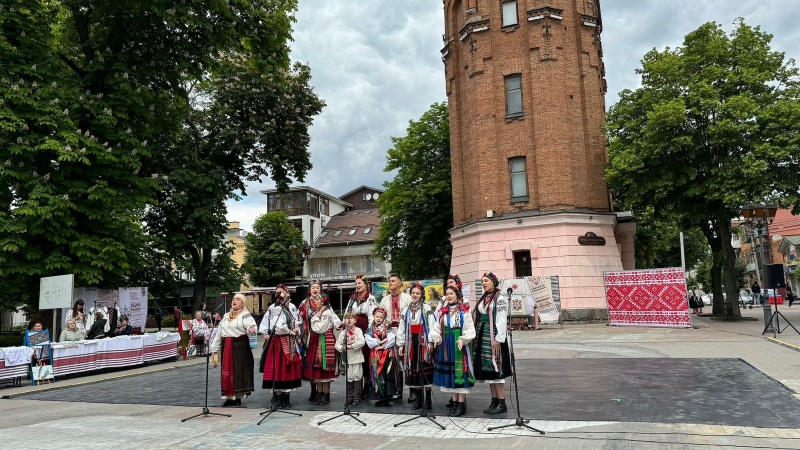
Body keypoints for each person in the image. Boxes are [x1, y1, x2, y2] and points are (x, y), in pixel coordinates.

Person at [429, 286, 476, 417]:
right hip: (446, 345)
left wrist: (463, 339)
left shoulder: (464, 311)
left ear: (457, 295)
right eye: (447, 294)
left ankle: (461, 404)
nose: (448, 296)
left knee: (459, 373)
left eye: (451, 294)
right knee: (450, 374)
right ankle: (455, 402)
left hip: (458, 343)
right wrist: (437, 338)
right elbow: (436, 327)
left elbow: (470, 329)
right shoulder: (443, 312)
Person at [473, 272, 512, 415]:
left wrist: (498, 340)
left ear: (493, 282)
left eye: (486, 281)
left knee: (497, 368)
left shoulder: (499, 299)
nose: (483, 283)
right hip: (483, 335)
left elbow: (501, 320)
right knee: (489, 369)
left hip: (494, 336)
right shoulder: (484, 298)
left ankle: (502, 403)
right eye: (482, 281)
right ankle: (494, 401)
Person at [259, 285, 303, 408]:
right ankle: (278, 396)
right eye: (286, 298)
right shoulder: (276, 310)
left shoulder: (290, 309)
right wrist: (290, 331)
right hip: (279, 343)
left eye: (288, 297)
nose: (289, 300)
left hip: (289, 342)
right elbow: (278, 327)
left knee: (287, 369)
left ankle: (285, 397)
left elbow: (297, 322)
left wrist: (296, 330)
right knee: (278, 368)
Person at [211, 293, 258, 407]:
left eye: (238, 299)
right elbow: (219, 332)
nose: (234, 301)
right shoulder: (226, 315)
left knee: (238, 371)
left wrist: (252, 329)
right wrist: (214, 348)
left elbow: (251, 326)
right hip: (227, 345)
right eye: (233, 299)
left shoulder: (245, 315)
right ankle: (229, 397)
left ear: (242, 303)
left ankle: (237, 397)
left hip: (240, 346)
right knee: (228, 371)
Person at [397, 283, 435, 411]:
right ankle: (419, 399)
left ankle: (428, 400)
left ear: (421, 295)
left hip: (423, 341)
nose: (415, 295)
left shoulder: (426, 308)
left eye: (417, 293)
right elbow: (401, 328)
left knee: (424, 369)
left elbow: (432, 325)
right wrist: (401, 344)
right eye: (413, 293)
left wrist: (430, 342)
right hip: (411, 342)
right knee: (415, 370)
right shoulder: (406, 310)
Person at [305, 292, 342, 405]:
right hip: (318, 343)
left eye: (317, 300)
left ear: (323, 301)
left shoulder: (326, 313)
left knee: (325, 370)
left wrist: (314, 319)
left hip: (325, 342)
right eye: (314, 300)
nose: (314, 301)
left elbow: (319, 328)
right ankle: (319, 393)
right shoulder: (320, 312)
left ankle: (326, 394)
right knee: (318, 371)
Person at [379, 274, 411, 401]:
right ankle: (397, 391)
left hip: (404, 333)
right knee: (393, 363)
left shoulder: (407, 298)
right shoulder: (384, 300)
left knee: (407, 361)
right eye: (389, 281)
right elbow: (380, 316)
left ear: (400, 283)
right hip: (390, 333)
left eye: (393, 281)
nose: (390, 283)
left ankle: (414, 391)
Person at [347, 274, 377, 399]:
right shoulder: (353, 298)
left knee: (365, 357)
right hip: (353, 327)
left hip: (364, 328)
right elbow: (348, 313)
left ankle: (367, 385)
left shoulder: (370, 298)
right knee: (355, 355)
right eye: (356, 283)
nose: (357, 285)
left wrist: (368, 333)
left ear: (366, 285)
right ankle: (355, 388)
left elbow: (372, 316)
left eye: (360, 283)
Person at [365, 307, 399, 406]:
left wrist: (382, 346)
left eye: (381, 317)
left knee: (386, 373)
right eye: (377, 316)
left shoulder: (387, 327)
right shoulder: (370, 329)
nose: (378, 318)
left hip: (386, 354)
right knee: (377, 375)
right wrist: (377, 343)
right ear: (374, 317)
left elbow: (391, 339)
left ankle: (387, 397)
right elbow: (368, 340)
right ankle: (380, 397)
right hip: (375, 355)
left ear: (383, 318)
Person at [298, 281, 323, 402]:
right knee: (311, 363)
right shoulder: (304, 303)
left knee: (320, 363)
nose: (315, 289)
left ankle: (322, 391)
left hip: (321, 336)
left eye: (317, 287)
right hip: (308, 336)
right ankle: (313, 389)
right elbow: (299, 318)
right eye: (313, 287)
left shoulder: (324, 302)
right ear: (309, 289)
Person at [335, 311, 366, 406]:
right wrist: (342, 348)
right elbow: (337, 344)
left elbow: (362, 342)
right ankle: (349, 397)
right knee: (349, 378)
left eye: (351, 318)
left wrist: (351, 346)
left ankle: (357, 397)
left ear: (355, 320)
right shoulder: (343, 333)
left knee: (357, 376)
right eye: (347, 318)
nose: (349, 320)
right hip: (347, 359)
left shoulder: (358, 331)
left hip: (357, 358)